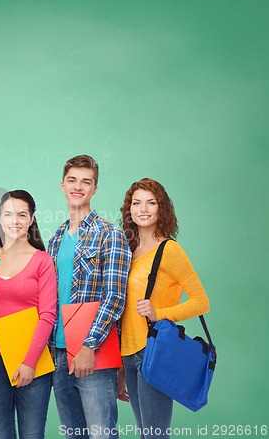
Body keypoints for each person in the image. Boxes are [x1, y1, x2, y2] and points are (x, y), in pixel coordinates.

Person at [118, 178, 210, 439]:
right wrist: (121, 367)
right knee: (145, 434)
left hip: (153, 351)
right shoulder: (129, 250)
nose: (143, 209)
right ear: (129, 209)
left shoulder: (170, 250)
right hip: (129, 354)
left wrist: (160, 313)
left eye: (151, 203)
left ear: (161, 209)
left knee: (155, 436)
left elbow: (201, 301)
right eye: (137, 203)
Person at [48, 155, 132, 439]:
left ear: (95, 189)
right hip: (58, 354)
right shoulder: (55, 239)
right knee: (73, 435)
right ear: (62, 185)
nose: (78, 187)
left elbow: (115, 297)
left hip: (93, 355)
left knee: (101, 435)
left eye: (86, 182)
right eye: (72, 180)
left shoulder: (110, 235)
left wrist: (88, 345)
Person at [0, 190, 57, 439]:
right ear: (0, 219)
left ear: (32, 219)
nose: (15, 221)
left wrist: (29, 362)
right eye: (8, 214)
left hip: (32, 361)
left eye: (22, 215)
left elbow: (48, 315)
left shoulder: (42, 261)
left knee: (32, 435)